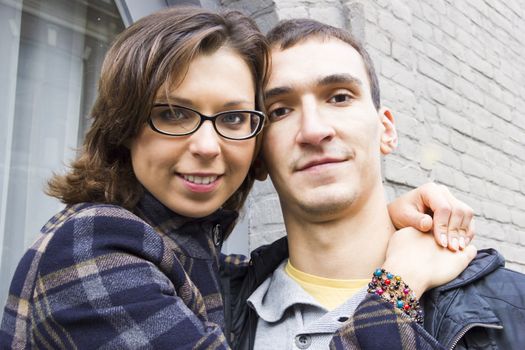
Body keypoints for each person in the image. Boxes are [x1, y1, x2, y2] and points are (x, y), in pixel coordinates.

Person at [0, 7, 476, 349]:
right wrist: (397, 285)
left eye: (232, 118)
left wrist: (385, 226)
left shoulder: (196, 260)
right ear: (124, 127)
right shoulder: (90, 247)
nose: (207, 146)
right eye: (173, 113)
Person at [228, 19, 525, 349]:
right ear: (258, 156)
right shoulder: (210, 310)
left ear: (386, 130)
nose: (313, 130)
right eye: (280, 110)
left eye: (340, 98)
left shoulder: (515, 309)